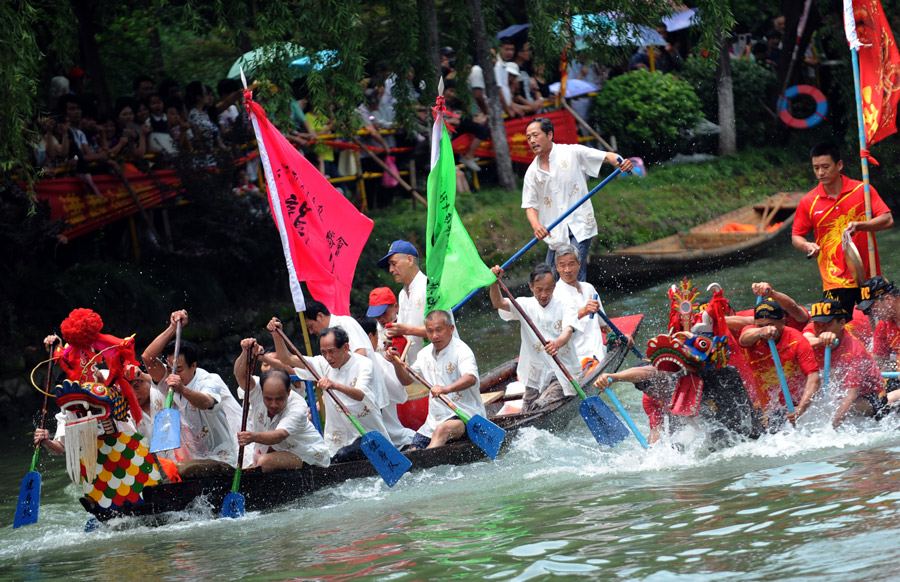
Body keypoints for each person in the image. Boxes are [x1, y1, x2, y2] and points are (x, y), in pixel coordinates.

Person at [523, 117, 633, 282]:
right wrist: (536, 226)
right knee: (550, 281)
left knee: (571, 276)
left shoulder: (572, 152)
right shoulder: (532, 172)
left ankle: (581, 306)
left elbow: (607, 156)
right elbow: (530, 206)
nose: (532, 140)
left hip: (579, 225)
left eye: (535, 135)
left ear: (550, 134)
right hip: (555, 232)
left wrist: (621, 162)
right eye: (528, 137)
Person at [792, 142, 894, 315]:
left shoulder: (862, 190)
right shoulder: (809, 201)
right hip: (834, 280)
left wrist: (860, 226)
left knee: (877, 328)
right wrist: (807, 246)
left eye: (825, 167)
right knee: (837, 331)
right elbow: (796, 236)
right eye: (816, 168)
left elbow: (887, 219)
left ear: (839, 165)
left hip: (869, 276)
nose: (820, 173)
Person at [142, 310, 242, 478]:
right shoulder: (169, 380)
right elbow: (148, 357)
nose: (173, 373)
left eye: (179, 369)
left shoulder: (207, 380)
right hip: (191, 463)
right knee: (157, 469)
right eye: (170, 368)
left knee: (179, 470)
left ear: (193, 366)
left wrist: (182, 390)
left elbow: (206, 402)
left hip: (220, 462)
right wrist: (173, 327)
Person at [489, 263, 581, 411]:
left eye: (548, 289)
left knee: (539, 406)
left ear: (554, 287)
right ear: (531, 287)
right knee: (526, 410)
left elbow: (568, 330)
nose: (544, 294)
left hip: (563, 371)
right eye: (539, 290)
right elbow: (498, 303)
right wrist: (494, 283)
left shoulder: (566, 304)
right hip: (536, 373)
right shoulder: (524, 304)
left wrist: (557, 343)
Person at [388, 310, 484, 449]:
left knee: (442, 430)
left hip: (465, 414)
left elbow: (471, 378)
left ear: (451, 329)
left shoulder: (462, 350)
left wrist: (446, 389)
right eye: (430, 331)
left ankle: (427, 465)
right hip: (434, 420)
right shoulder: (424, 354)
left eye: (439, 330)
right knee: (414, 448)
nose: (434, 336)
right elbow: (406, 380)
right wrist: (396, 363)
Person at [292, 327, 389, 462]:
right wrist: (276, 335)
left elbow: (360, 394)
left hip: (369, 436)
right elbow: (287, 359)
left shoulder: (364, 364)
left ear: (345, 347)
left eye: (331, 352)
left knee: (343, 455)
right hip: (338, 442)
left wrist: (334, 385)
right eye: (324, 352)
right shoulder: (323, 364)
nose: (328, 357)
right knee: (334, 457)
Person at [233, 339, 330, 471]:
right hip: (272, 452)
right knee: (256, 461)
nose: (273, 404)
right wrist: (245, 352)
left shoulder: (297, 405)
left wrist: (252, 437)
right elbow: (240, 376)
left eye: (279, 399)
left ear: (288, 392)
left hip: (308, 456)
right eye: (268, 399)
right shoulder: (257, 389)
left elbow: (280, 435)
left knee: (264, 461)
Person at [802, 299, 897, 427]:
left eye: (827, 324)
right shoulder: (817, 330)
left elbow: (850, 396)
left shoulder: (854, 352)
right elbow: (801, 343)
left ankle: (893, 398)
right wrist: (820, 341)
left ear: (842, 323)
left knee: (837, 407)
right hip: (840, 392)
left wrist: (831, 429)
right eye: (817, 324)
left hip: (869, 398)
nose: (821, 329)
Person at [738, 298, 820, 419]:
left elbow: (814, 377)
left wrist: (801, 408)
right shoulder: (752, 333)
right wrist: (760, 331)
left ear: (783, 321)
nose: (767, 329)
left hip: (795, 404)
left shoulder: (797, 340)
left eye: (770, 325)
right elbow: (743, 340)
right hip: (765, 407)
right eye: (760, 325)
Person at [552, 243, 630, 369]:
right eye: (563, 265)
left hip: (599, 353)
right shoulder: (555, 295)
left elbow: (604, 326)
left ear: (579, 264)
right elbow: (556, 328)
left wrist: (621, 337)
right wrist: (583, 311)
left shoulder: (589, 288)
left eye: (571, 264)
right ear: (557, 268)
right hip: (577, 361)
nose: (567, 270)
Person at [377, 240, 428, 363]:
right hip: (414, 368)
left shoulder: (429, 288)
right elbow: (405, 334)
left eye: (394, 264)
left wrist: (406, 330)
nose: (390, 270)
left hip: (437, 368)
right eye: (390, 265)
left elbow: (442, 330)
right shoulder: (402, 294)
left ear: (410, 260)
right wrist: (392, 341)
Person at [858, 276, 900, 372]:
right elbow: (878, 361)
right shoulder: (883, 326)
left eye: (874, 307)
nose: (873, 313)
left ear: (888, 299)